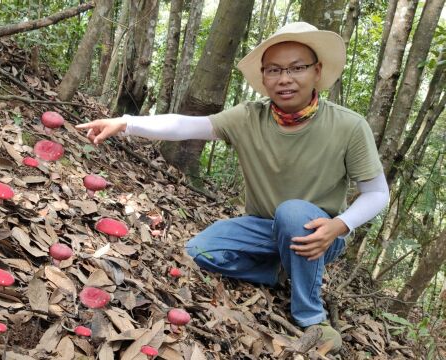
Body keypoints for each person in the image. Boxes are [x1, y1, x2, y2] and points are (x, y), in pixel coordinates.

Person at [75, 22, 389, 353]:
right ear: (264, 77)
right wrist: (127, 123)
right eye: (274, 70)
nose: (285, 78)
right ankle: (279, 269)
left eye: (297, 68)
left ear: (317, 71)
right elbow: (188, 126)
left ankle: (312, 317)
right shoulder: (248, 117)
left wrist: (340, 225)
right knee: (199, 252)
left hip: (319, 231)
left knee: (293, 213)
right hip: (262, 227)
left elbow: (377, 192)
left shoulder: (349, 126)